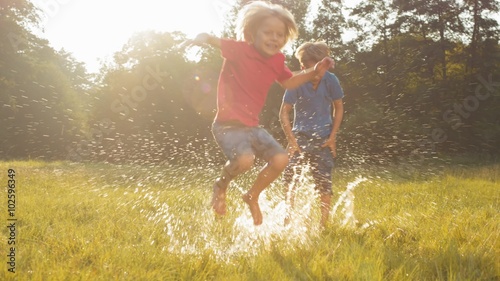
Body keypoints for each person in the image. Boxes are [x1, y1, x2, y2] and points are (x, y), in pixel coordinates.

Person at [182, 1, 334, 225]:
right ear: (252, 33)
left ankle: (252, 195)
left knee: (281, 159)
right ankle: (220, 185)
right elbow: (212, 39)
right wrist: (201, 38)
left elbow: (289, 82)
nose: (274, 38)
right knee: (245, 159)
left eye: (280, 34)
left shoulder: (276, 60)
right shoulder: (239, 49)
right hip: (227, 126)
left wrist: (314, 71)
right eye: (268, 32)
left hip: (252, 127)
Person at [279, 41, 344, 227]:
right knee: (290, 177)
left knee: (323, 181)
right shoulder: (296, 81)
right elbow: (284, 112)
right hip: (300, 137)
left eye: (320, 69)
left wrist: (333, 137)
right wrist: (291, 141)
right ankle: (287, 220)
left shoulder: (331, 80)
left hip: (324, 137)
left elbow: (338, 107)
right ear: (303, 67)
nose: (317, 74)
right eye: (312, 69)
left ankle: (323, 224)